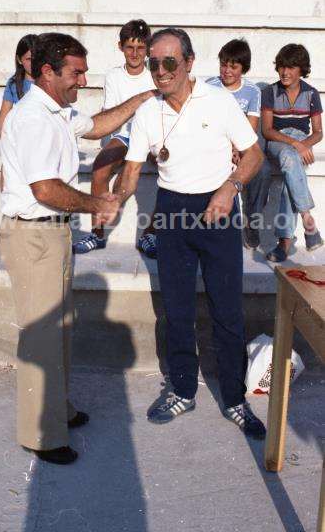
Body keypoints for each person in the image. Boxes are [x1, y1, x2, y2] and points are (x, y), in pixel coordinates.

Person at [0, 32, 157, 465]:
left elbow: (101, 123)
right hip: (33, 234)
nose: (83, 81)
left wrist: (144, 95)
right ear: (46, 72)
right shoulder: (33, 117)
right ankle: (42, 436)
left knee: (60, 329)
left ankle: (58, 411)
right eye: (76, 72)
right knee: (43, 336)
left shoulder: (60, 110)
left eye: (85, 71)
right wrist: (97, 202)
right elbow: (45, 188)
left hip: (52, 234)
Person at [114, 28, 266, 439]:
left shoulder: (219, 101)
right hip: (171, 211)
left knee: (227, 310)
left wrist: (230, 187)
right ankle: (182, 389)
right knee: (177, 309)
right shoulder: (149, 112)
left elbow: (253, 153)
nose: (160, 72)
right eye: (153, 64)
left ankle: (235, 398)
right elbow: (130, 172)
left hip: (218, 209)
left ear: (189, 62)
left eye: (169, 63)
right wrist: (110, 203)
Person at [73, 19, 155, 254]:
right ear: (120, 47)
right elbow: (112, 115)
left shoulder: (152, 75)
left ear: (148, 48)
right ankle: (97, 233)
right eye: (130, 47)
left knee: (169, 169)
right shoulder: (114, 76)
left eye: (141, 48)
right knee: (100, 168)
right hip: (124, 135)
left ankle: (151, 233)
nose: (135, 53)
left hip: (150, 135)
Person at [206, 38, 272, 249]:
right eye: (223, 65)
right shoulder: (209, 86)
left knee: (262, 170)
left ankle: (252, 221)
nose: (226, 71)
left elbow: (251, 127)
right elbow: (205, 122)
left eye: (233, 66)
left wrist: (236, 148)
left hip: (241, 144)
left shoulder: (252, 91)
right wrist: (227, 148)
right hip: (215, 143)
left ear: (243, 68)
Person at [261, 43, 323, 262]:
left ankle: (284, 242)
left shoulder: (311, 93)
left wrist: (304, 143)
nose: (285, 72)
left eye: (291, 67)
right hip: (278, 140)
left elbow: (318, 133)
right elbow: (267, 130)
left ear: (301, 69)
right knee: (289, 156)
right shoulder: (270, 91)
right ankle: (307, 217)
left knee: (290, 178)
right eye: (281, 67)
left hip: (300, 140)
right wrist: (297, 146)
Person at [0, 33, 37, 136]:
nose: (33, 63)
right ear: (19, 60)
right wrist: (5, 145)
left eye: (37, 58)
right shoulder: (14, 84)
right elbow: (3, 118)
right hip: (21, 140)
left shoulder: (49, 81)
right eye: (29, 59)